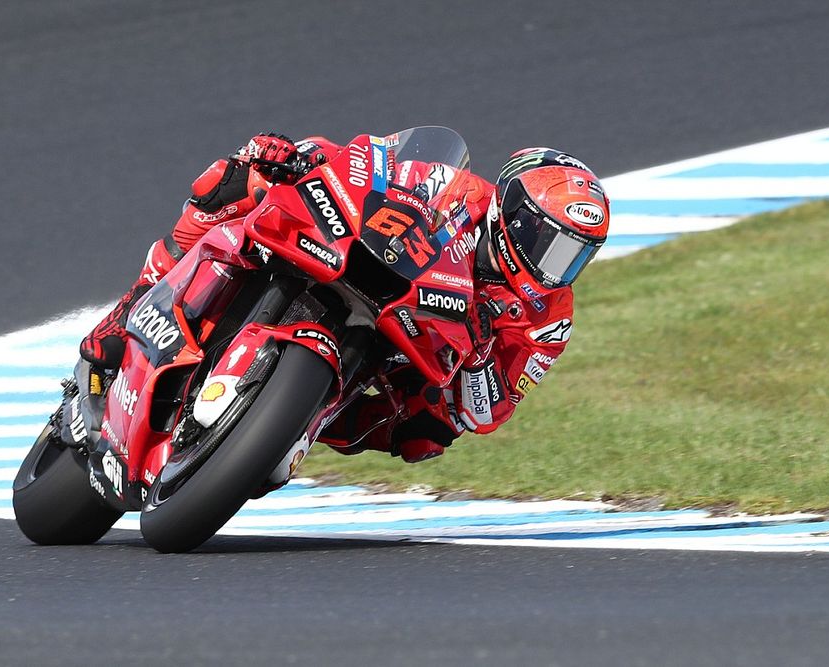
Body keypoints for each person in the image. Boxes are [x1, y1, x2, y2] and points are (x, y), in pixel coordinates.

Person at [80, 132, 610, 464]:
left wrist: (475, 365)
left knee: (425, 437)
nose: (555, 266)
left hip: (418, 351)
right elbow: (368, 163)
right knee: (234, 183)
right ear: (512, 214)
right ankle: (132, 307)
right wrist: (302, 155)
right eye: (550, 243)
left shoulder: (549, 318)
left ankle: (292, 425)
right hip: (366, 269)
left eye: (574, 255)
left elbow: (492, 410)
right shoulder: (457, 189)